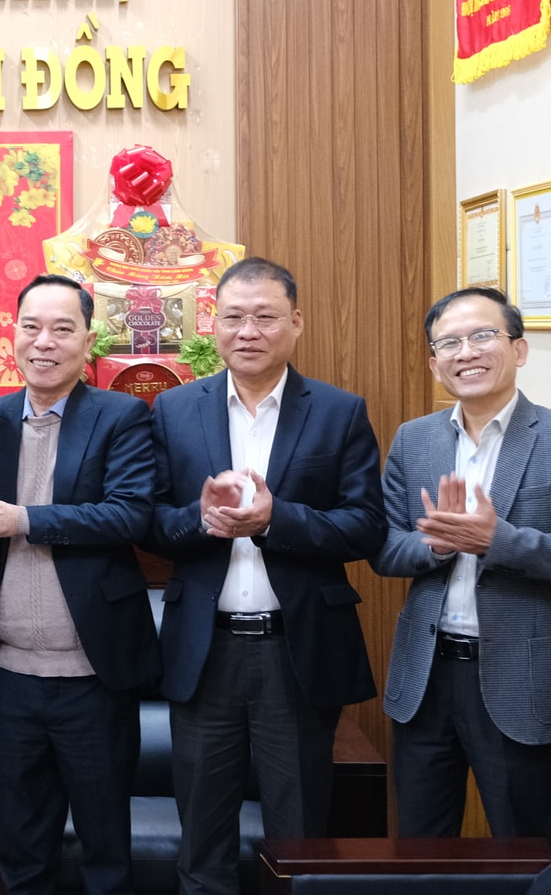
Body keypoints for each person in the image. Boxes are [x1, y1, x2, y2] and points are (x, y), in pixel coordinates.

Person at [144, 257, 383, 895]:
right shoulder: (174, 409)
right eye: (234, 317)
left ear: (296, 322)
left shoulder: (339, 411)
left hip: (295, 650)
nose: (248, 331)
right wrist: (200, 521)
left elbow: (366, 526)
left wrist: (278, 519)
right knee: (202, 838)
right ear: (213, 324)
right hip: (205, 649)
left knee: (298, 837)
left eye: (266, 317)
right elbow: (150, 523)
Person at [372, 287, 551, 837]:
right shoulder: (413, 439)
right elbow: (386, 548)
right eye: (449, 343)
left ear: (519, 349)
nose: (466, 352)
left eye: (482, 336)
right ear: (434, 363)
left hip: (522, 679)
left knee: (527, 845)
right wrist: (437, 546)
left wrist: (499, 541)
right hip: (425, 677)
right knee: (420, 847)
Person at [0, 274, 160, 895]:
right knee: (22, 850)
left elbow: (130, 514)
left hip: (93, 676)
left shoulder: (121, 416)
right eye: (31, 327)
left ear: (88, 341)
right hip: (10, 675)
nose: (43, 342)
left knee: (104, 852)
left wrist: (24, 519)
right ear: (13, 335)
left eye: (62, 329)